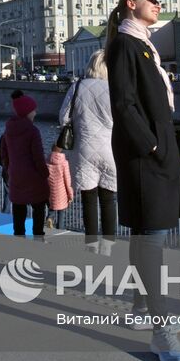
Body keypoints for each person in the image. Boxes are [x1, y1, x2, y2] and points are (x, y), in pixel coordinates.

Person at [105, 0, 180, 361]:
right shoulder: (126, 44)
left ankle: (143, 307)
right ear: (131, 4)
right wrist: (151, 146)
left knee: (144, 234)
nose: (158, 4)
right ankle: (162, 331)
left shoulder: (142, 45)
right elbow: (123, 103)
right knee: (152, 238)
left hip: (156, 148)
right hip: (147, 153)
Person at [60, 50, 117, 253]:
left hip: (83, 150)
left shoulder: (77, 87)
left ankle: (91, 246)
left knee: (88, 198)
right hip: (111, 149)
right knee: (109, 199)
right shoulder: (115, 88)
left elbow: (63, 118)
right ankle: (108, 247)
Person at [0, 93, 48, 237]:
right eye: (33, 110)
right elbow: (38, 157)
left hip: (16, 175)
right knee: (39, 207)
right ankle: (38, 239)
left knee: (19, 208)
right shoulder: (33, 131)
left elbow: (4, 154)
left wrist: (8, 170)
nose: (35, 113)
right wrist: (45, 173)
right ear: (28, 112)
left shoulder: (8, 130)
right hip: (33, 176)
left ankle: (19, 239)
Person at [46, 136, 73, 232]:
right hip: (62, 192)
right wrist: (70, 194)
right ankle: (60, 229)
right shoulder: (64, 163)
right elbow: (67, 180)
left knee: (52, 206)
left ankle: (49, 218)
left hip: (50, 190)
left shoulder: (47, 161)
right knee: (61, 211)